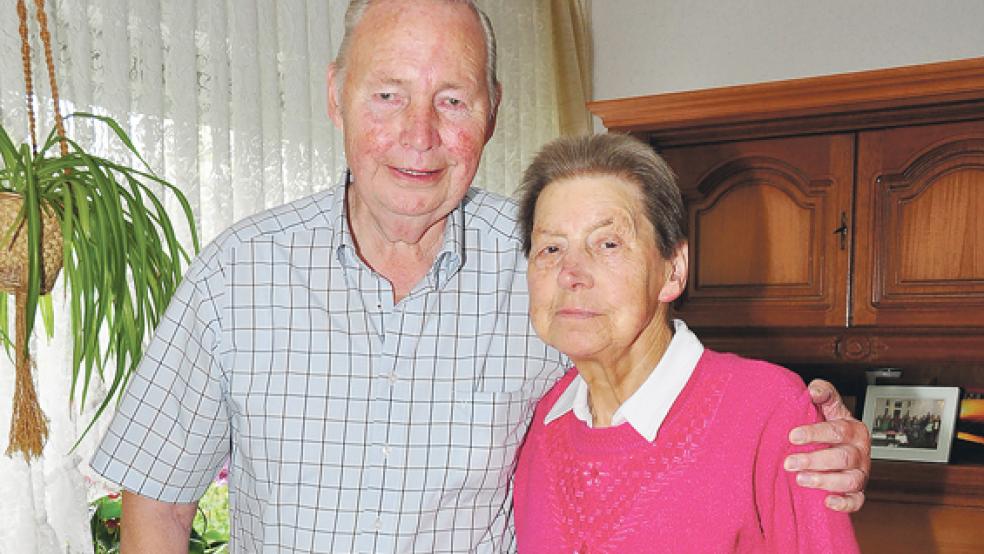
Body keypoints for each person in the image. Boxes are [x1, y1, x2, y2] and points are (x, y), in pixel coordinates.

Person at [90, 1, 870, 552]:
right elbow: (156, 502)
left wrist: (804, 432)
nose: (418, 136)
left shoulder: (543, 260)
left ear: (492, 110)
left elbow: (667, 381)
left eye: (452, 99)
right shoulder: (236, 276)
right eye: (387, 94)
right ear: (335, 95)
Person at [512, 133, 860, 553]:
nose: (571, 273)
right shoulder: (543, 423)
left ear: (673, 270)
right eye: (550, 248)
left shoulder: (770, 411)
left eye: (607, 244)